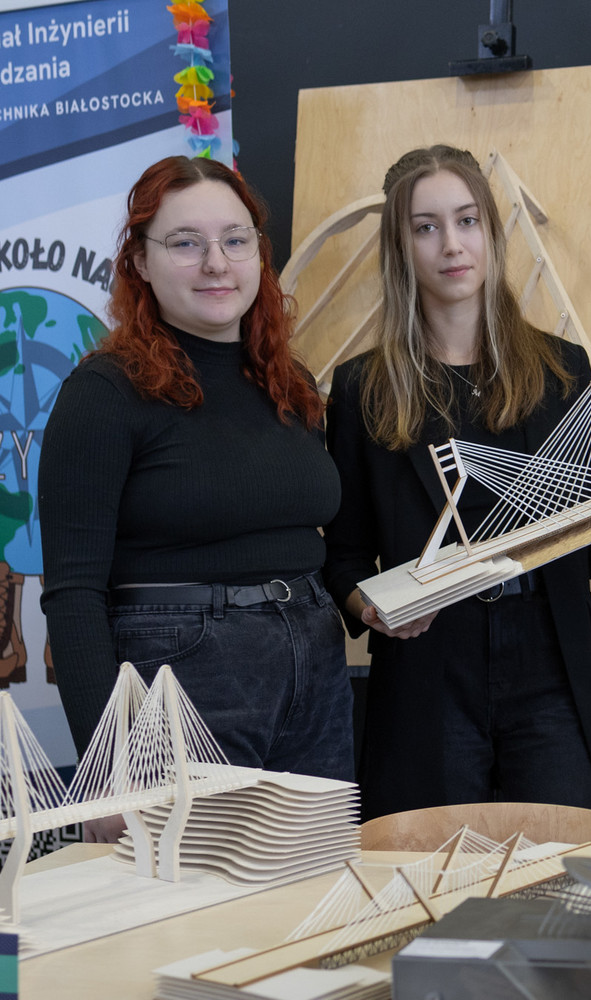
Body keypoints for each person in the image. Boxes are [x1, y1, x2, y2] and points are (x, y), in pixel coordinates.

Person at [322, 145, 591, 821]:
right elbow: (345, 556)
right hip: (427, 666)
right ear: (400, 247)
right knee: (435, 868)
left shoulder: (562, 369)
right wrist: (370, 609)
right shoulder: (363, 388)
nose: (452, 244)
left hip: (551, 659)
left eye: (467, 220)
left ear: (491, 233)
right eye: (426, 227)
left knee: (567, 861)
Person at [40, 157, 351, 835]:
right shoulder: (104, 394)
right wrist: (107, 768)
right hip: (181, 679)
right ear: (140, 262)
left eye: (235, 240)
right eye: (186, 243)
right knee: (194, 890)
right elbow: (72, 593)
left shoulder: (289, 384)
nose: (216, 263)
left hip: (316, 666)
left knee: (313, 881)